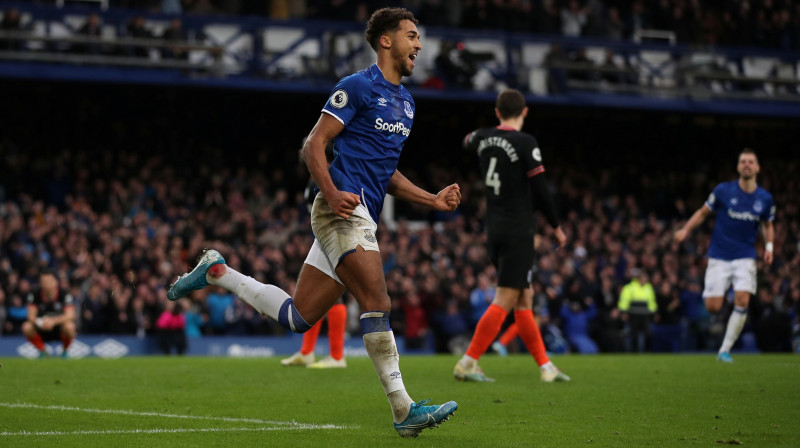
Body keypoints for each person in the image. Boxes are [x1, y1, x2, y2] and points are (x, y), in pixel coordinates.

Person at [167, 7, 460, 438]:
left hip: (360, 212)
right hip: (341, 208)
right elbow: (313, 144)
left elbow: (387, 172)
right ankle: (403, 408)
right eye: (412, 36)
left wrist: (430, 199)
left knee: (299, 317)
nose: (419, 45)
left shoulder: (407, 103)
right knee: (377, 299)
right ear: (386, 41)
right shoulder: (358, 86)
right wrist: (331, 190)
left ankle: (218, 271)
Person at [453, 88, 569, 383]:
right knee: (505, 298)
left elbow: (467, 140)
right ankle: (468, 361)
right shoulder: (525, 141)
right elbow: (541, 190)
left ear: (497, 112)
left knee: (523, 299)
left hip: (494, 230)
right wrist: (556, 227)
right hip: (519, 231)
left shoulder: (483, 138)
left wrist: (485, 133)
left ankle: (546, 367)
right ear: (525, 111)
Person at [675, 148, 775, 363]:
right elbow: (703, 212)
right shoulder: (723, 191)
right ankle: (724, 297)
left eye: (751, 162)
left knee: (743, 300)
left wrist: (769, 247)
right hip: (719, 255)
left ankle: (724, 350)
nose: (747, 165)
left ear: (757, 167)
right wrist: (686, 230)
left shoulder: (765, 198)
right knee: (712, 307)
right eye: (743, 161)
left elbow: (768, 225)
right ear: (738, 167)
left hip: (745, 256)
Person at [22, 272, 76, 358]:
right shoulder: (34, 294)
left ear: (56, 282)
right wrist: (41, 323)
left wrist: (53, 322)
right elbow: (30, 316)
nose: (46, 284)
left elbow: (70, 315)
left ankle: (65, 352)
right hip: (41, 327)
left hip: (59, 327)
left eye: (49, 281)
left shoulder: (64, 294)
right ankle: (43, 351)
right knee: (26, 327)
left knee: (70, 326)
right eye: (43, 281)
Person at [617, 268, 657, 352]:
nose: (646, 279)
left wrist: (654, 312)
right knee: (633, 335)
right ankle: (633, 353)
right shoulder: (629, 287)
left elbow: (652, 302)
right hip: (633, 315)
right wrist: (624, 312)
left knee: (648, 334)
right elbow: (624, 301)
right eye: (644, 277)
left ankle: (647, 352)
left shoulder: (648, 287)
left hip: (645, 315)